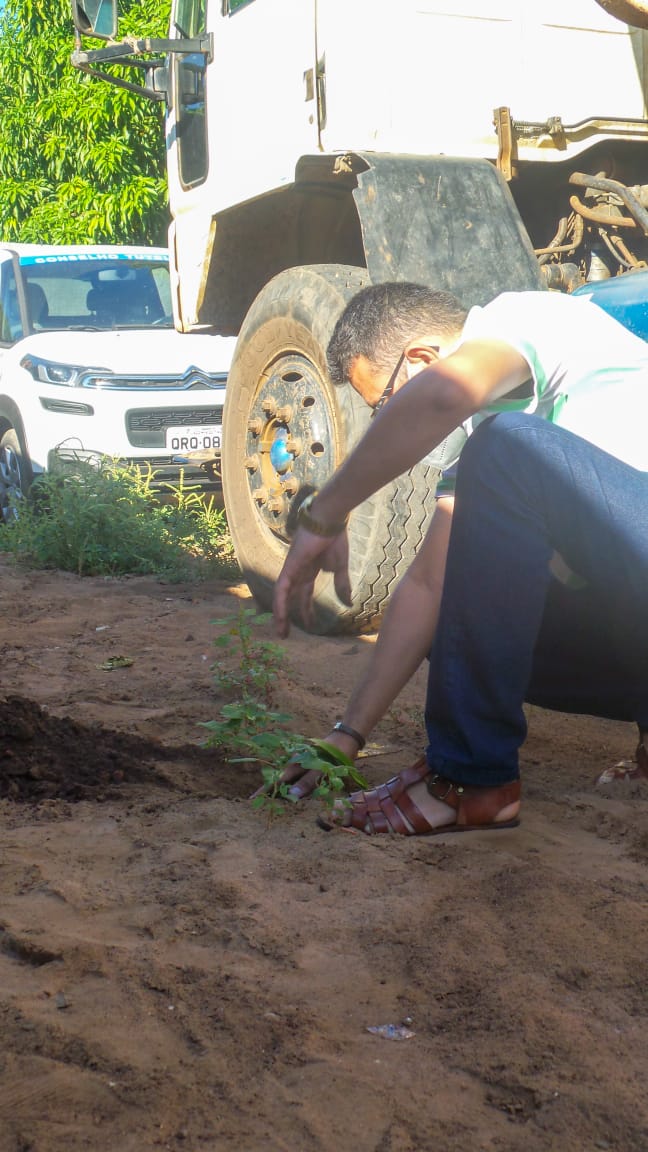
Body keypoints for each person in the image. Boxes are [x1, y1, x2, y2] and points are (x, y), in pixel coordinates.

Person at [272, 283, 648, 834]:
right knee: (453, 619)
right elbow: (429, 586)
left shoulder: (522, 316)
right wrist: (346, 736)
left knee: (506, 447)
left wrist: (325, 514)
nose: (388, 421)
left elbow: (443, 397)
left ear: (422, 360)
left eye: (384, 404)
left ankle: (471, 780)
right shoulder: (487, 450)